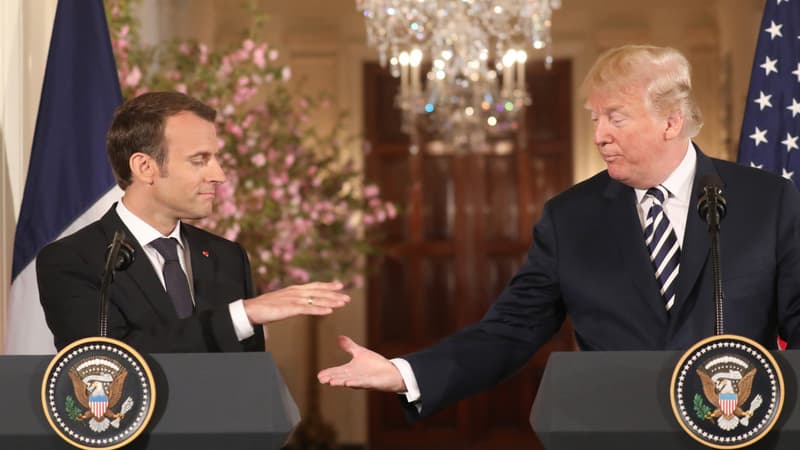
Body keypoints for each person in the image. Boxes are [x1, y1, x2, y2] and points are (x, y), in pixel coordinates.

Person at [317, 44, 800, 420]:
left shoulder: (768, 202)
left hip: (739, 434)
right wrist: (404, 373)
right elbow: (510, 331)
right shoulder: (570, 218)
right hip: (616, 434)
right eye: (595, 118)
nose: (599, 135)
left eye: (616, 117)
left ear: (671, 121)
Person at [37, 91, 350, 353]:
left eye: (214, 158)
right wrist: (242, 314)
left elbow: (247, 381)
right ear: (145, 167)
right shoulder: (73, 261)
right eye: (200, 160)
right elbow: (109, 365)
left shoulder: (227, 257)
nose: (219, 175)